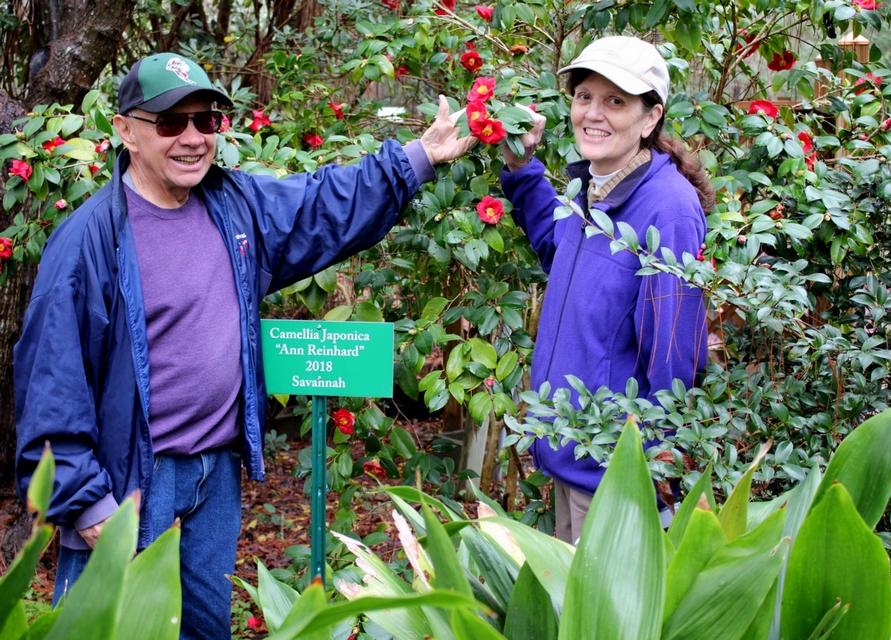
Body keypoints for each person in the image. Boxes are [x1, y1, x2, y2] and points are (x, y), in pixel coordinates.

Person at [14, 52, 472, 638]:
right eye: (171, 123)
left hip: (214, 479)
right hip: (131, 485)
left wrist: (417, 158)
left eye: (206, 121)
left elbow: (320, 205)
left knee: (206, 628)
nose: (192, 139)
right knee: (116, 629)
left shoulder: (233, 208)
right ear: (125, 130)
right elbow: (51, 382)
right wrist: (85, 503)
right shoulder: (88, 242)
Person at [500, 36, 712, 544]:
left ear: (650, 117)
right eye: (584, 97)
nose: (593, 114)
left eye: (615, 101)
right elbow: (561, 250)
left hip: (611, 474)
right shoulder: (596, 189)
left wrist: (657, 470)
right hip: (571, 455)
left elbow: (671, 359)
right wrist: (521, 170)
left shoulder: (667, 208)